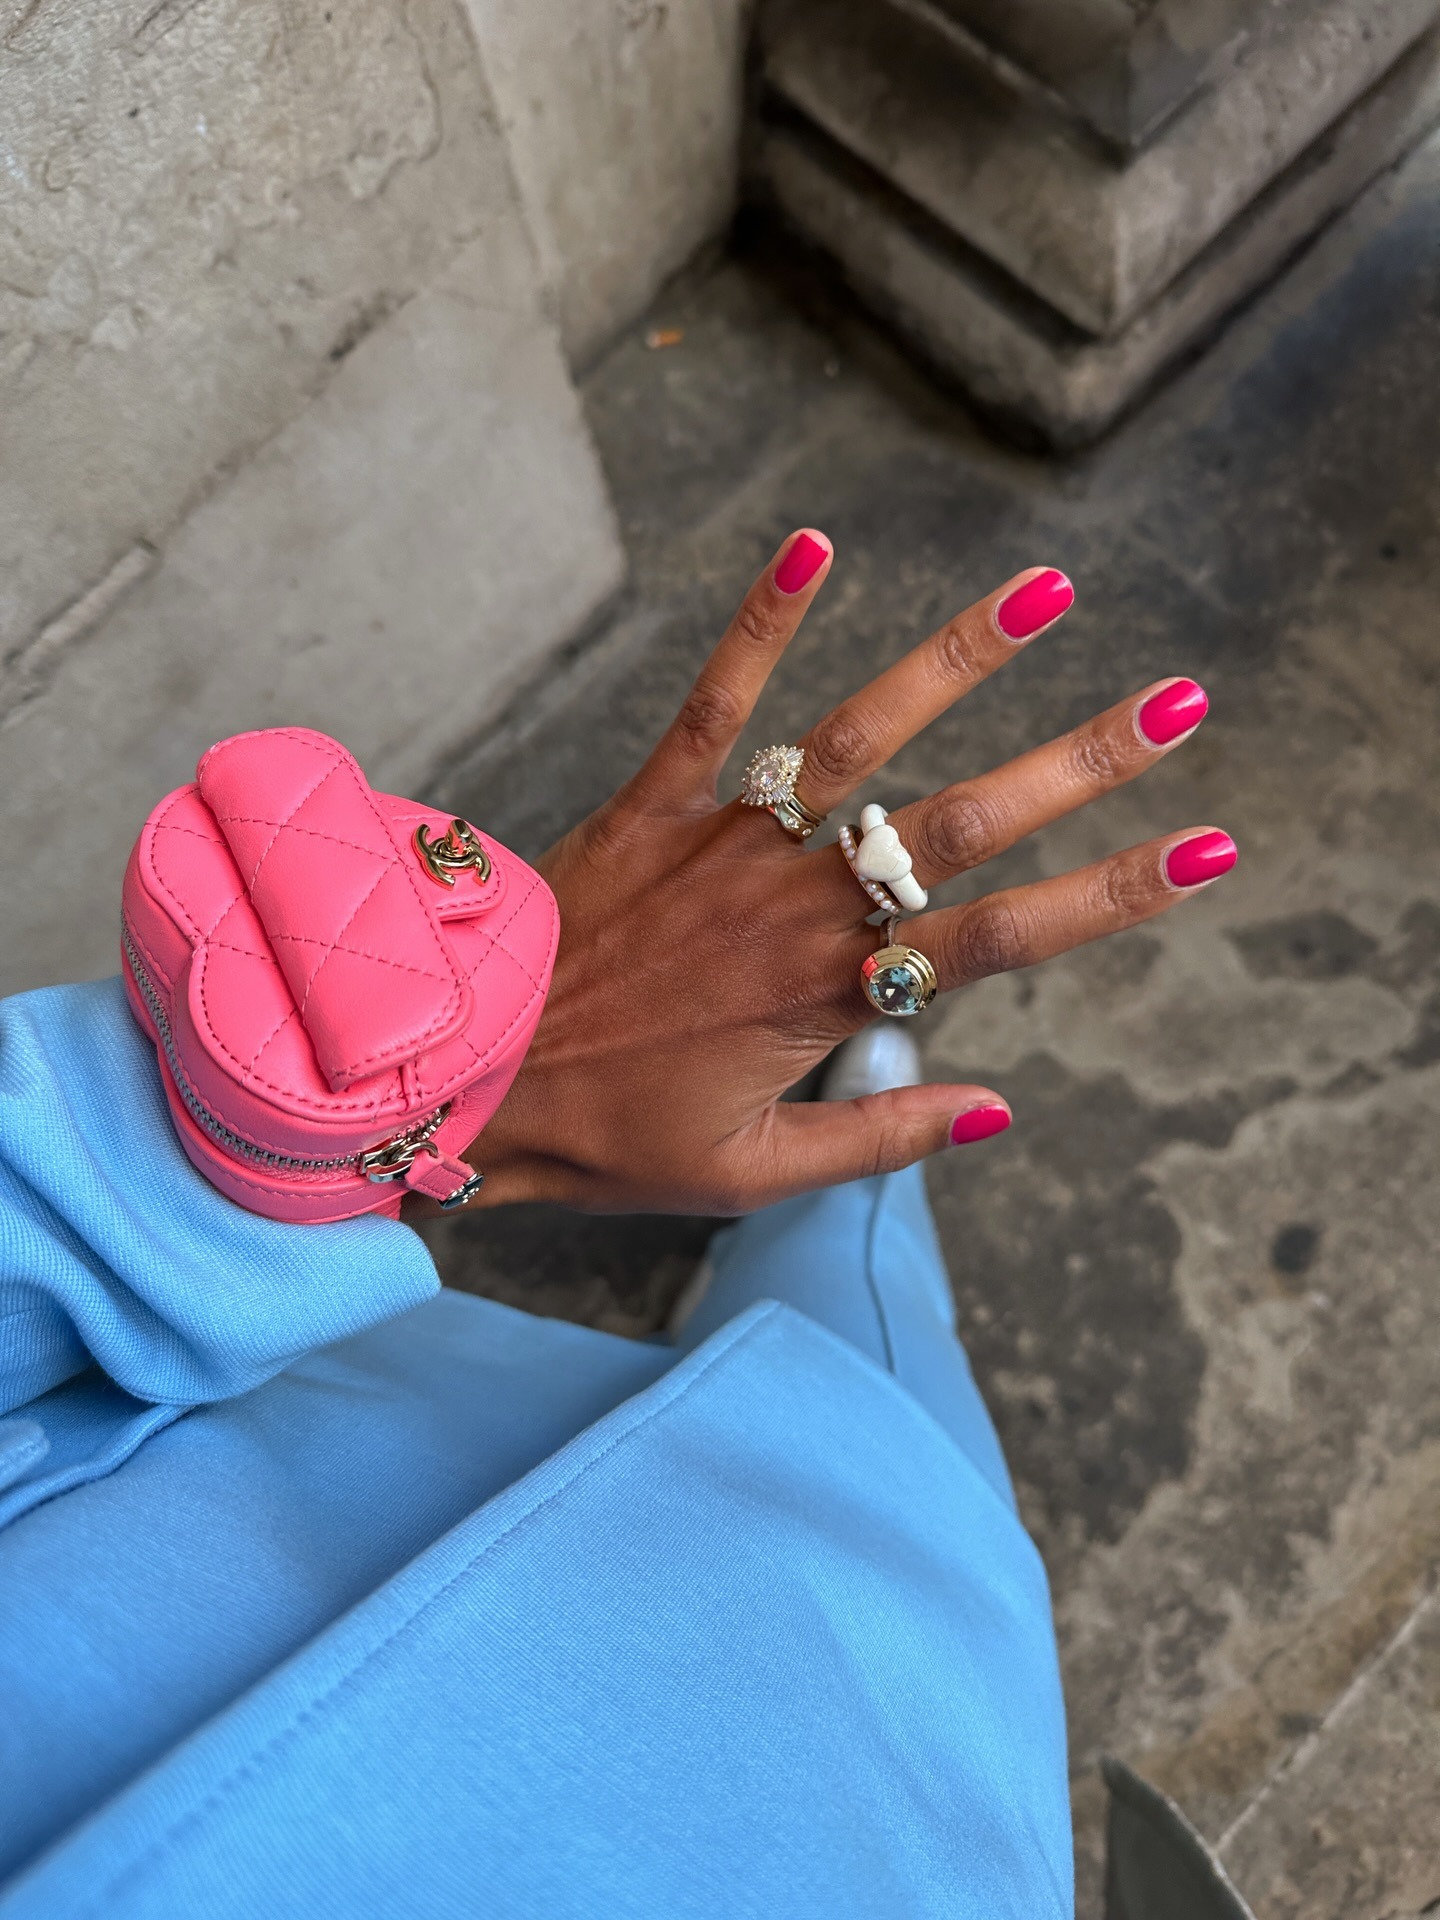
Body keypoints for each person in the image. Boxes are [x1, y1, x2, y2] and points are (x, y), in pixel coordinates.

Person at [0, 535, 1231, 1918]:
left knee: (838, 1287)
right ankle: (856, 1173)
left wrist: (458, 1095)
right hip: (911, 1705)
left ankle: (844, 1171)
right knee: (871, 1332)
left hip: (308, 1459)